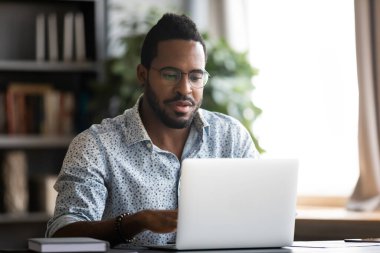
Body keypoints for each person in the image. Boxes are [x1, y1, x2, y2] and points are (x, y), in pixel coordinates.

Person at [46, 13, 258, 246]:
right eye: (170, 75)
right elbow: (62, 234)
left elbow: (262, 213)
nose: (185, 89)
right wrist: (135, 222)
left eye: (196, 76)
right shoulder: (96, 146)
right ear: (142, 75)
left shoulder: (231, 138)